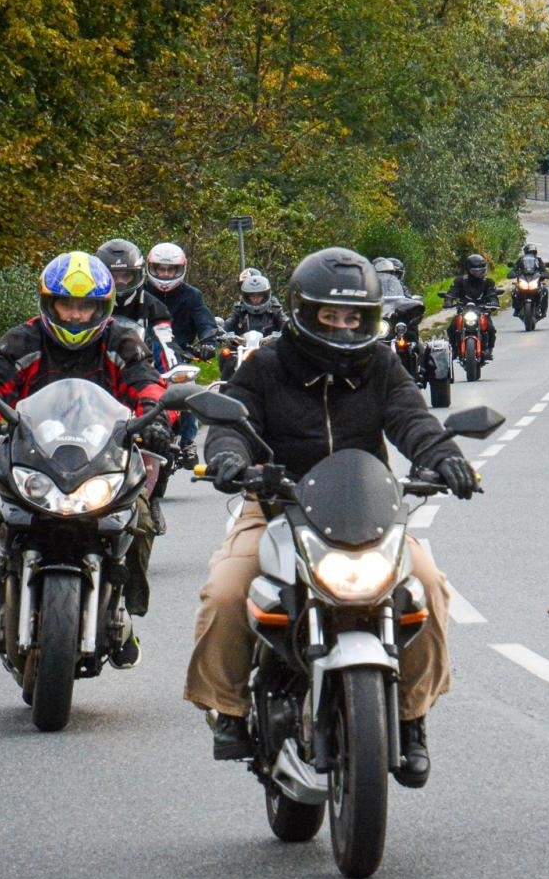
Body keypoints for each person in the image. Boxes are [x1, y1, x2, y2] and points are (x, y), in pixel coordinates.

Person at [185, 248, 479, 786]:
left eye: (354, 317)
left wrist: (445, 458)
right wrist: (228, 456)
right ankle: (228, 708)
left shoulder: (381, 366)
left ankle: (410, 719)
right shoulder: (265, 365)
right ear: (304, 311)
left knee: (430, 588)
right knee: (226, 591)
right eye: (330, 315)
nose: (343, 327)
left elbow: (412, 419)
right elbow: (232, 423)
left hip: (366, 512)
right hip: (278, 505)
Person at [0, 252, 169, 668]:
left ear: (102, 308)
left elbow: (149, 384)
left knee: (139, 518)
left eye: (85, 306)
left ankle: (123, 613)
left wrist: (157, 420)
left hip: (104, 455)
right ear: (48, 303)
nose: (74, 315)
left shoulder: (122, 341)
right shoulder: (23, 340)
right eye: (66, 304)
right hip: (31, 452)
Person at [146, 242, 221, 463]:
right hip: (138, 353)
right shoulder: (140, 293)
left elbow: (206, 322)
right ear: (151, 268)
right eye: (160, 269)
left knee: (189, 389)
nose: (165, 274)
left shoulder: (192, 296)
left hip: (179, 358)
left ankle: (188, 441)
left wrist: (208, 343)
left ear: (180, 269)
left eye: (170, 270)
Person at [98, 238, 172, 366]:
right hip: (95, 370)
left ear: (138, 274)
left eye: (126, 276)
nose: (120, 282)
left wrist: (174, 366)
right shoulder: (90, 304)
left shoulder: (154, 306)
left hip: (142, 368)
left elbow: (166, 343)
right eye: (113, 276)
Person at [445, 253, 500, 360]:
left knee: (490, 328)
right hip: (464, 310)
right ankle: (455, 349)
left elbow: (492, 294)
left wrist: (493, 302)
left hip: (482, 311)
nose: (478, 273)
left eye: (481, 270)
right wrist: (448, 300)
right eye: (475, 271)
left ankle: (489, 349)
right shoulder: (460, 281)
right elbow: (452, 292)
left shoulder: (488, 282)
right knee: (451, 328)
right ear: (469, 270)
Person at [510, 243, 549, 319]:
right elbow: (515, 268)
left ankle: (543, 310)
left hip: (534, 280)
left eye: (533, 252)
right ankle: (516, 309)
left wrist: (545, 273)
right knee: (514, 291)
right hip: (524, 279)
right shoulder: (521, 259)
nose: (531, 254)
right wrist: (513, 273)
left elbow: (543, 269)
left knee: (545, 290)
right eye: (530, 252)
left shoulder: (538, 260)